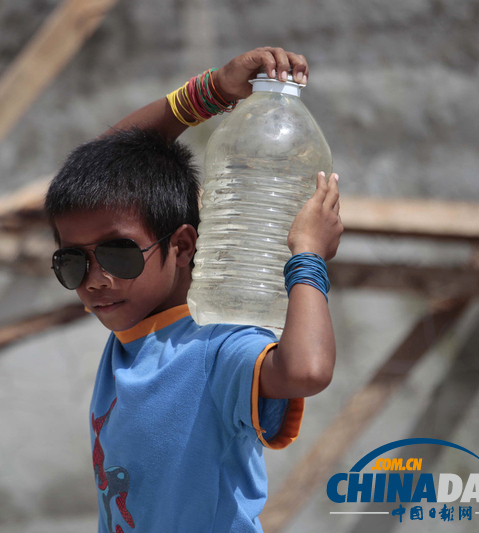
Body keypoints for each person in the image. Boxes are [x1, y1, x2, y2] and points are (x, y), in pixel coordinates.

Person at [44, 47, 342, 532]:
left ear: (182, 245)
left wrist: (307, 256)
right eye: (73, 261)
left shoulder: (215, 347)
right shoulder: (129, 342)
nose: (96, 278)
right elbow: (100, 165)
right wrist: (212, 91)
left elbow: (306, 371)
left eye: (118, 254)